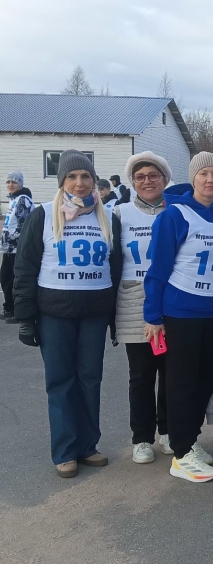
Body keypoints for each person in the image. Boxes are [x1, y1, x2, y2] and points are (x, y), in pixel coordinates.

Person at [13, 150, 121, 478]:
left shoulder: (108, 217)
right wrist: (25, 318)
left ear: (94, 180)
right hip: (54, 314)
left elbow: (116, 268)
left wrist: (114, 318)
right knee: (60, 381)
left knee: (90, 379)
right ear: (62, 181)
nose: (79, 182)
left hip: (93, 314)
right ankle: (64, 450)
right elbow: (25, 267)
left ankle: (88, 446)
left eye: (86, 176)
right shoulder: (44, 214)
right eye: (72, 176)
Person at [144, 152, 213, 483]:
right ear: (193, 178)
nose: (210, 179)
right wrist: (153, 315)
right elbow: (158, 269)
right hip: (182, 312)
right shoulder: (174, 215)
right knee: (181, 381)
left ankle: (189, 439)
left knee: (204, 380)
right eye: (203, 173)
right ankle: (181, 454)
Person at [114, 151, 174, 465]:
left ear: (164, 179)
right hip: (133, 301)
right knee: (140, 375)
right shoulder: (120, 213)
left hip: (170, 299)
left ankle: (168, 430)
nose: (147, 181)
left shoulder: (176, 211)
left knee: (170, 372)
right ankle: (141, 438)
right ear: (132, 182)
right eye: (140, 177)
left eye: (153, 175)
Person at [1, 171, 34, 322]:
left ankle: (18, 312)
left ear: (20, 184)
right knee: (5, 279)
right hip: (9, 249)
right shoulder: (13, 200)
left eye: (14, 182)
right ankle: (9, 308)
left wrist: (8, 237)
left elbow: (23, 226)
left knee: (16, 281)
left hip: (18, 249)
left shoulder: (23, 200)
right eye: (8, 182)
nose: (10, 185)